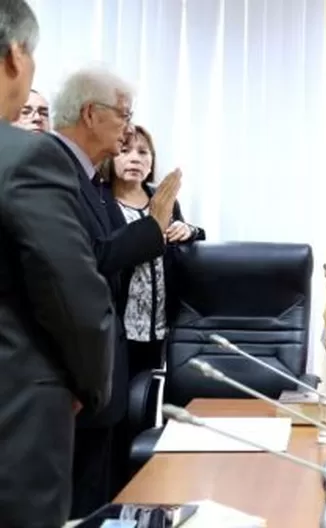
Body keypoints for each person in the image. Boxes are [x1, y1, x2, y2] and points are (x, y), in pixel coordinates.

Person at [0, 1, 117, 526]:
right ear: (16, 55)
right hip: (15, 421)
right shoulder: (23, 157)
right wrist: (89, 386)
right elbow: (74, 295)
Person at [48, 65, 182, 517]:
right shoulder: (57, 171)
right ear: (91, 114)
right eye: (123, 115)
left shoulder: (79, 175)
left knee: (97, 485)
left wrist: (169, 224)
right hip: (65, 371)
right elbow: (94, 257)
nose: (128, 129)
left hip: (106, 359)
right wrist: (153, 225)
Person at [98, 124, 204, 379]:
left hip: (160, 322)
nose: (135, 158)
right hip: (118, 323)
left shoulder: (162, 199)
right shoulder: (99, 199)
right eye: (125, 150)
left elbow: (188, 242)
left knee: (147, 395)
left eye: (143, 152)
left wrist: (188, 230)